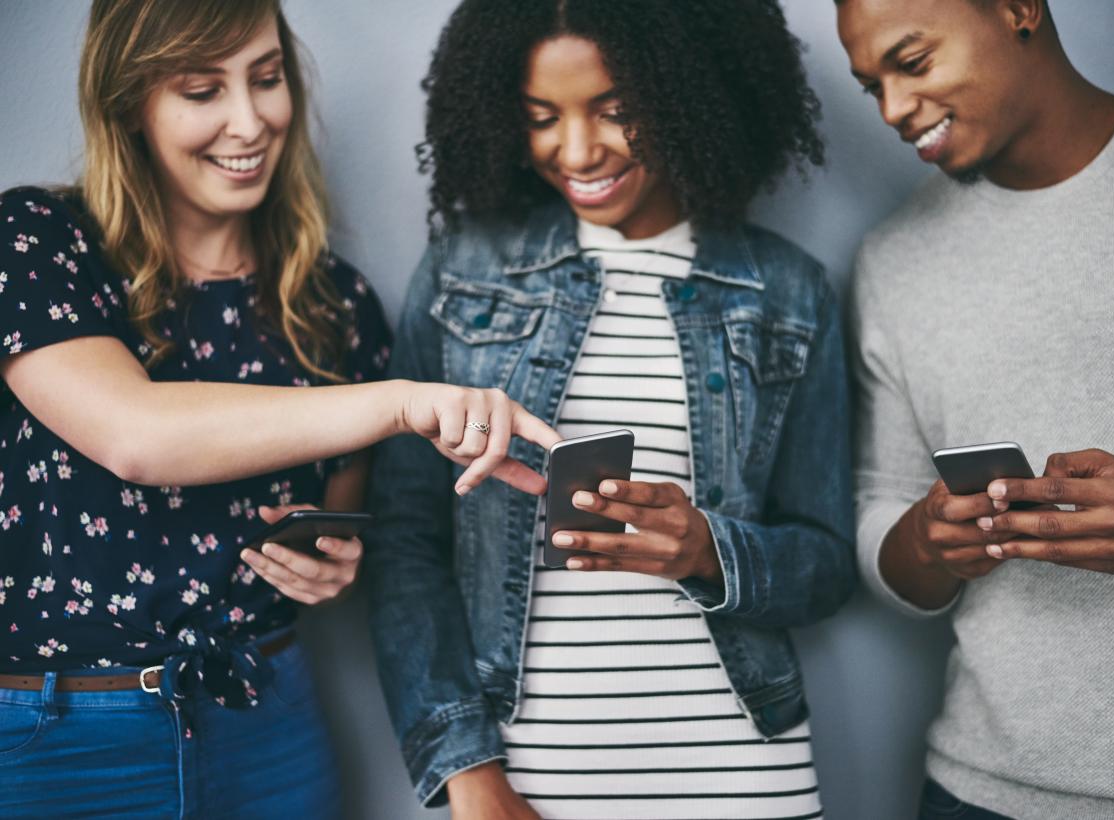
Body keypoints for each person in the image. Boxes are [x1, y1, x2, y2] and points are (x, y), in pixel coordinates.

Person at [0, 0, 556, 816]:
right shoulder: (40, 241)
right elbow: (135, 435)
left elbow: (333, 527)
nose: (250, 120)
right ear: (130, 107)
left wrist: (328, 568)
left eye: (266, 79)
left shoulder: (338, 304)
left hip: (268, 723)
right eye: (201, 90)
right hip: (58, 740)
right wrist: (401, 403)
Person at [365, 1, 856, 817]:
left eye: (617, 110)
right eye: (540, 118)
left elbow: (828, 563)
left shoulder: (788, 292)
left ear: (691, 91)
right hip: (528, 781)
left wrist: (707, 550)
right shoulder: (464, 276)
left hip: (741, 776)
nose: (579, 149)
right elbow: (404, 544)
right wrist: (467, 774)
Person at [835, 0, 1114, 817]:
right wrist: (928, 542)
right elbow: (877, 522)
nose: (893, 110)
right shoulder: (894, 260)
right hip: (978, 793)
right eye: (871, 88)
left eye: (914, 63)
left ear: (1015, 9)